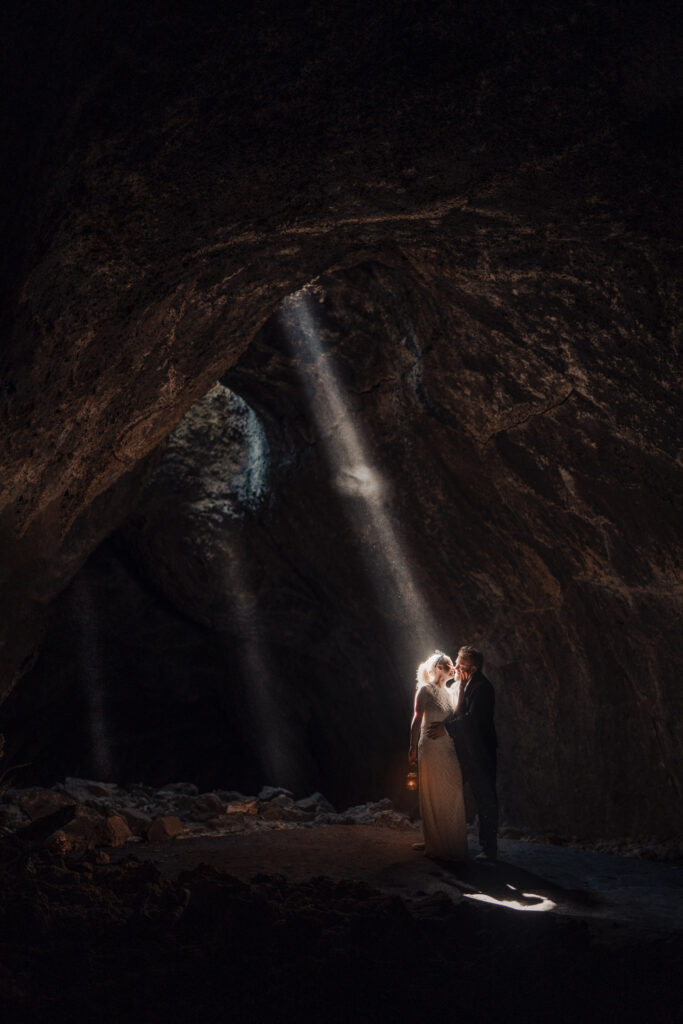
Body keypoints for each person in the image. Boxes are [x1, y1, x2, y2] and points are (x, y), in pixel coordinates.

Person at [428, 645, 498, 862]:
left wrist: (446, 729)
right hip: (465, 751)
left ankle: (489, 849)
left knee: (485, 799)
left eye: (461, 664)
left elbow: (473, 719)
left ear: (473, 668)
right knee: (451, 792)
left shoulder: (482, 688)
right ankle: (443, 840)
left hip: (480, 753)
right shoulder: (464, 684)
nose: (456, 666)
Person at [408, 651, 467, 861]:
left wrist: (460, 684)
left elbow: (458, 715)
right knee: (432, 792)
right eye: (449, 664)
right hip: (430, 748)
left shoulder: (451, 691)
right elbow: (416, 720)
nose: (454, 667)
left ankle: (452, 840)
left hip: (448, 748)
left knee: (452, 791)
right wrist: (412, 747)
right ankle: (433, 841)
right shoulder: (424, 690)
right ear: (438, 668)